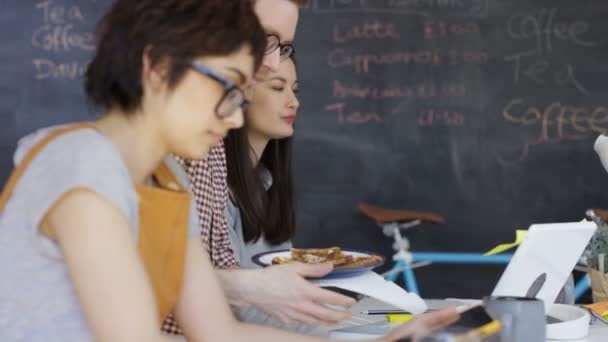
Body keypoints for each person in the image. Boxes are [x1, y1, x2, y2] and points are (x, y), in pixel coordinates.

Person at [0, 0, 460, 341]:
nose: (237, 118)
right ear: (158, 67)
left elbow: (220, 332)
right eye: (230, 88)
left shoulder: (170, 180)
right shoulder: (82, 164)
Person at [173, 0, 361, 330]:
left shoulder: (210, 159)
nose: (272, 62)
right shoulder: (97, 167)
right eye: (264, 39)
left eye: (283, 46)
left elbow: (216, 328)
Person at [224, 53, 299, 269]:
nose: (294, 102)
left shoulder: (268, 181)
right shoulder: (217, 191)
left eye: (295, 90)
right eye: (277, 88)